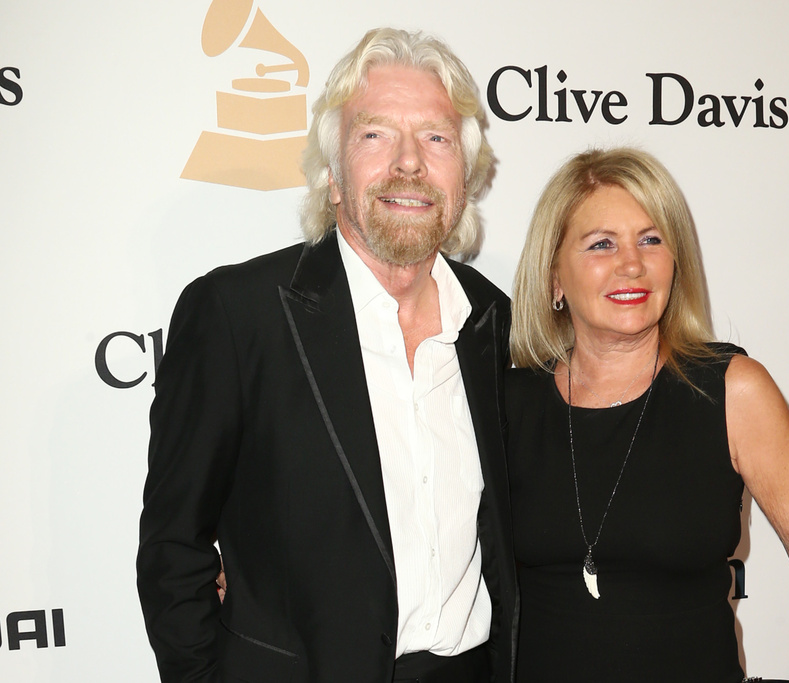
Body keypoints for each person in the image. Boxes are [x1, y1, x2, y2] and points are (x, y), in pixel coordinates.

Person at [136, 28, 516, 683]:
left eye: (435, 137)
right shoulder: (237, 313)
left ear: (464, 173)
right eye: (375, 135)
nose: (408, 163)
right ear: (334, 176)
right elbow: (174, 549)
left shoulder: (492, 318)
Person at [507, 148, 789, 683]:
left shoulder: (731, 390)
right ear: (554, 276)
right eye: (602, 244)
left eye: (651, 240)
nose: (632, 264)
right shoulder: (510, 401)